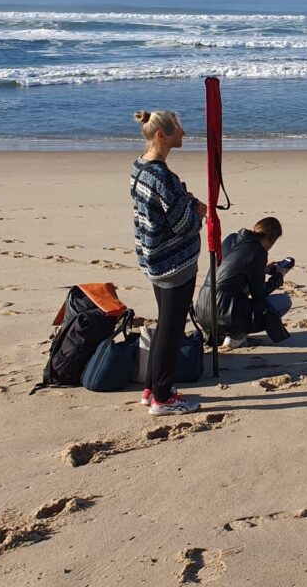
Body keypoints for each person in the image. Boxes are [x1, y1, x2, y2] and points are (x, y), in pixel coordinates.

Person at [130, 110, 206, 415]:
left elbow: (162, 212)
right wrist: (198, 211)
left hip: (153, 257)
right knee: (171, 328)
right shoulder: (160, 175)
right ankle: (162, 396)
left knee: (166, 324)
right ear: (162, 135)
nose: (184, 133)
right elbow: (183, 223)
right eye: (178, 128)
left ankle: (153, 388)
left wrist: (185, 201)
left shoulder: (140, 165)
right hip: (172, 262)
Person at [194, 217, 292, 348]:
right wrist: (278, 278)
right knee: (284, 302)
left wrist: (262, 269)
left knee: (236, 295)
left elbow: (230, 268)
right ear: (270, 239)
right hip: (226, 313)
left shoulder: (232, 239)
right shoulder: (258, 252)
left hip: (203, 308)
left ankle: (225, 333)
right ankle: (236, 337)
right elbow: (259, 293)